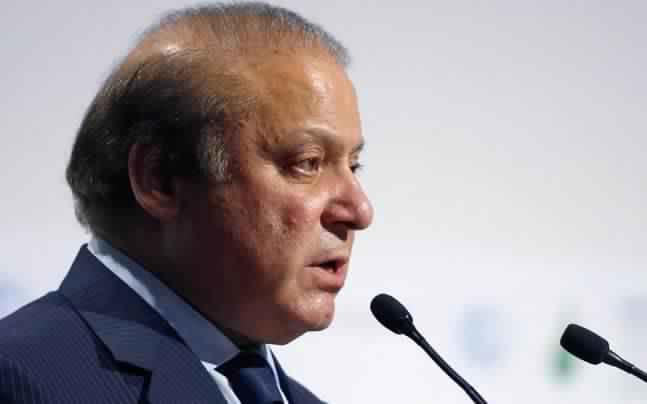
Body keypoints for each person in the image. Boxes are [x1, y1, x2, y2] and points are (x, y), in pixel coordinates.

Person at [0, 2, 373, 403]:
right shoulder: (20, 380)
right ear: (160, 179)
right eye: (307, 163)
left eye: (354, 165)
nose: (360, 211)